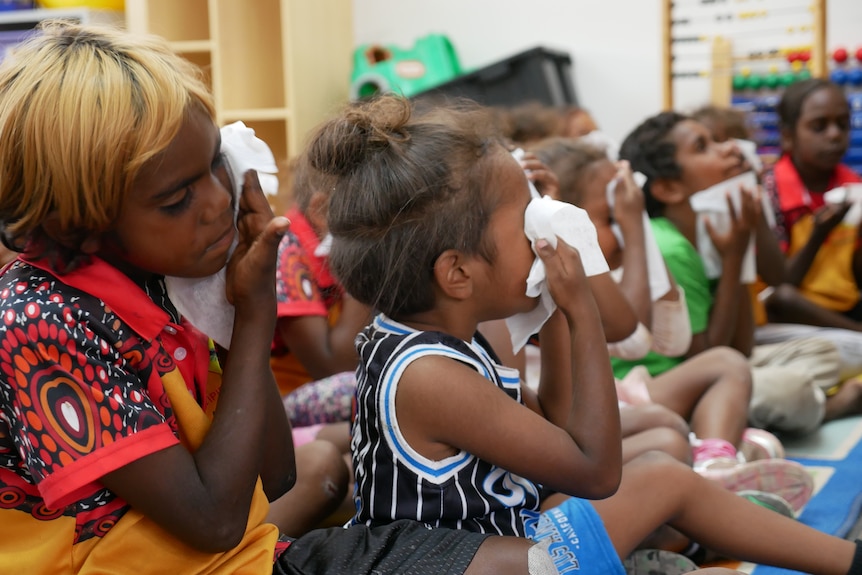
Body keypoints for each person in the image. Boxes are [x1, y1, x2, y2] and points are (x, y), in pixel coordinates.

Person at [0, 22, 546, 574]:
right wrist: (253, 314)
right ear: (75, 222)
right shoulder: (38, 320)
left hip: (243, 559)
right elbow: (213, 521)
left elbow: (273, 475)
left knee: (529, 563)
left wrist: (231, 315)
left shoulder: (164, 274)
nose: (218, 202)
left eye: (217, 164)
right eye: (175, 200)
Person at [308, 93, 862, 575]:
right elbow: (595, 469)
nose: (544, 231)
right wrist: (582, 314)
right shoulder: (428, 375)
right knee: (658, 481)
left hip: (490, 542)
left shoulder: (455, 335)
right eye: (528, 220)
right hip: (450, 561)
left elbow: (557, 431)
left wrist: (553, 313)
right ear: (457, 274)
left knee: (661, 474)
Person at [529, 136, 808, 509]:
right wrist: (632, 227)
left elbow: (674, 337)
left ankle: (715, 464)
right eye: (609, 216)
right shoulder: (565, 271)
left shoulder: (637, 254)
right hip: (602, 416)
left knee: (729, 367)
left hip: (625, 397)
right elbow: (631, 335)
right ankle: (715, 469)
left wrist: (636, 227)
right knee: (674, 436)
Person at [616, 110, 850, 436]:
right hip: (665, 384)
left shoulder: (708, 230)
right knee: (789, 389)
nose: (729, 149)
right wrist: (734, 258)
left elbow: (742, 348)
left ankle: (779, 412)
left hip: (719, 366)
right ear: (669, 188)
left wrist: (737, 256)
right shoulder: (669, 246)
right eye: (703, 147)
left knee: (822, 353)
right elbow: (711, 357)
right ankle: (818, 409)